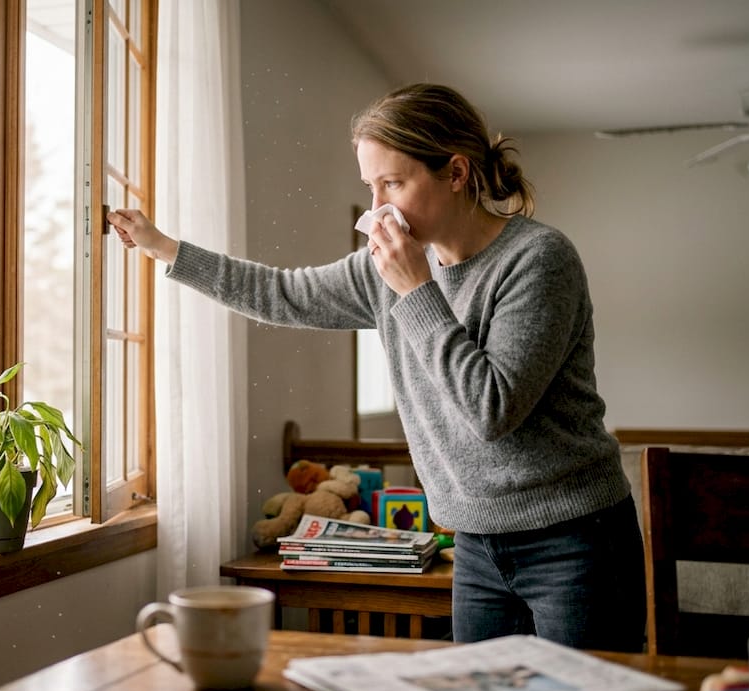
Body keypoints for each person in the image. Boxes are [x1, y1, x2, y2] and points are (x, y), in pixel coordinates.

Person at [108, 83, 645, 652]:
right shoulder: (381, 272)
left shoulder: (538, 260)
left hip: (574, 539)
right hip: (475, 543)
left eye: (393, 183)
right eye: (371, 187)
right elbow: (282, 292)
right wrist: (164, 248)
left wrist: (416, 289)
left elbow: (491, 409)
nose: (377, 209)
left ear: (456, 173)